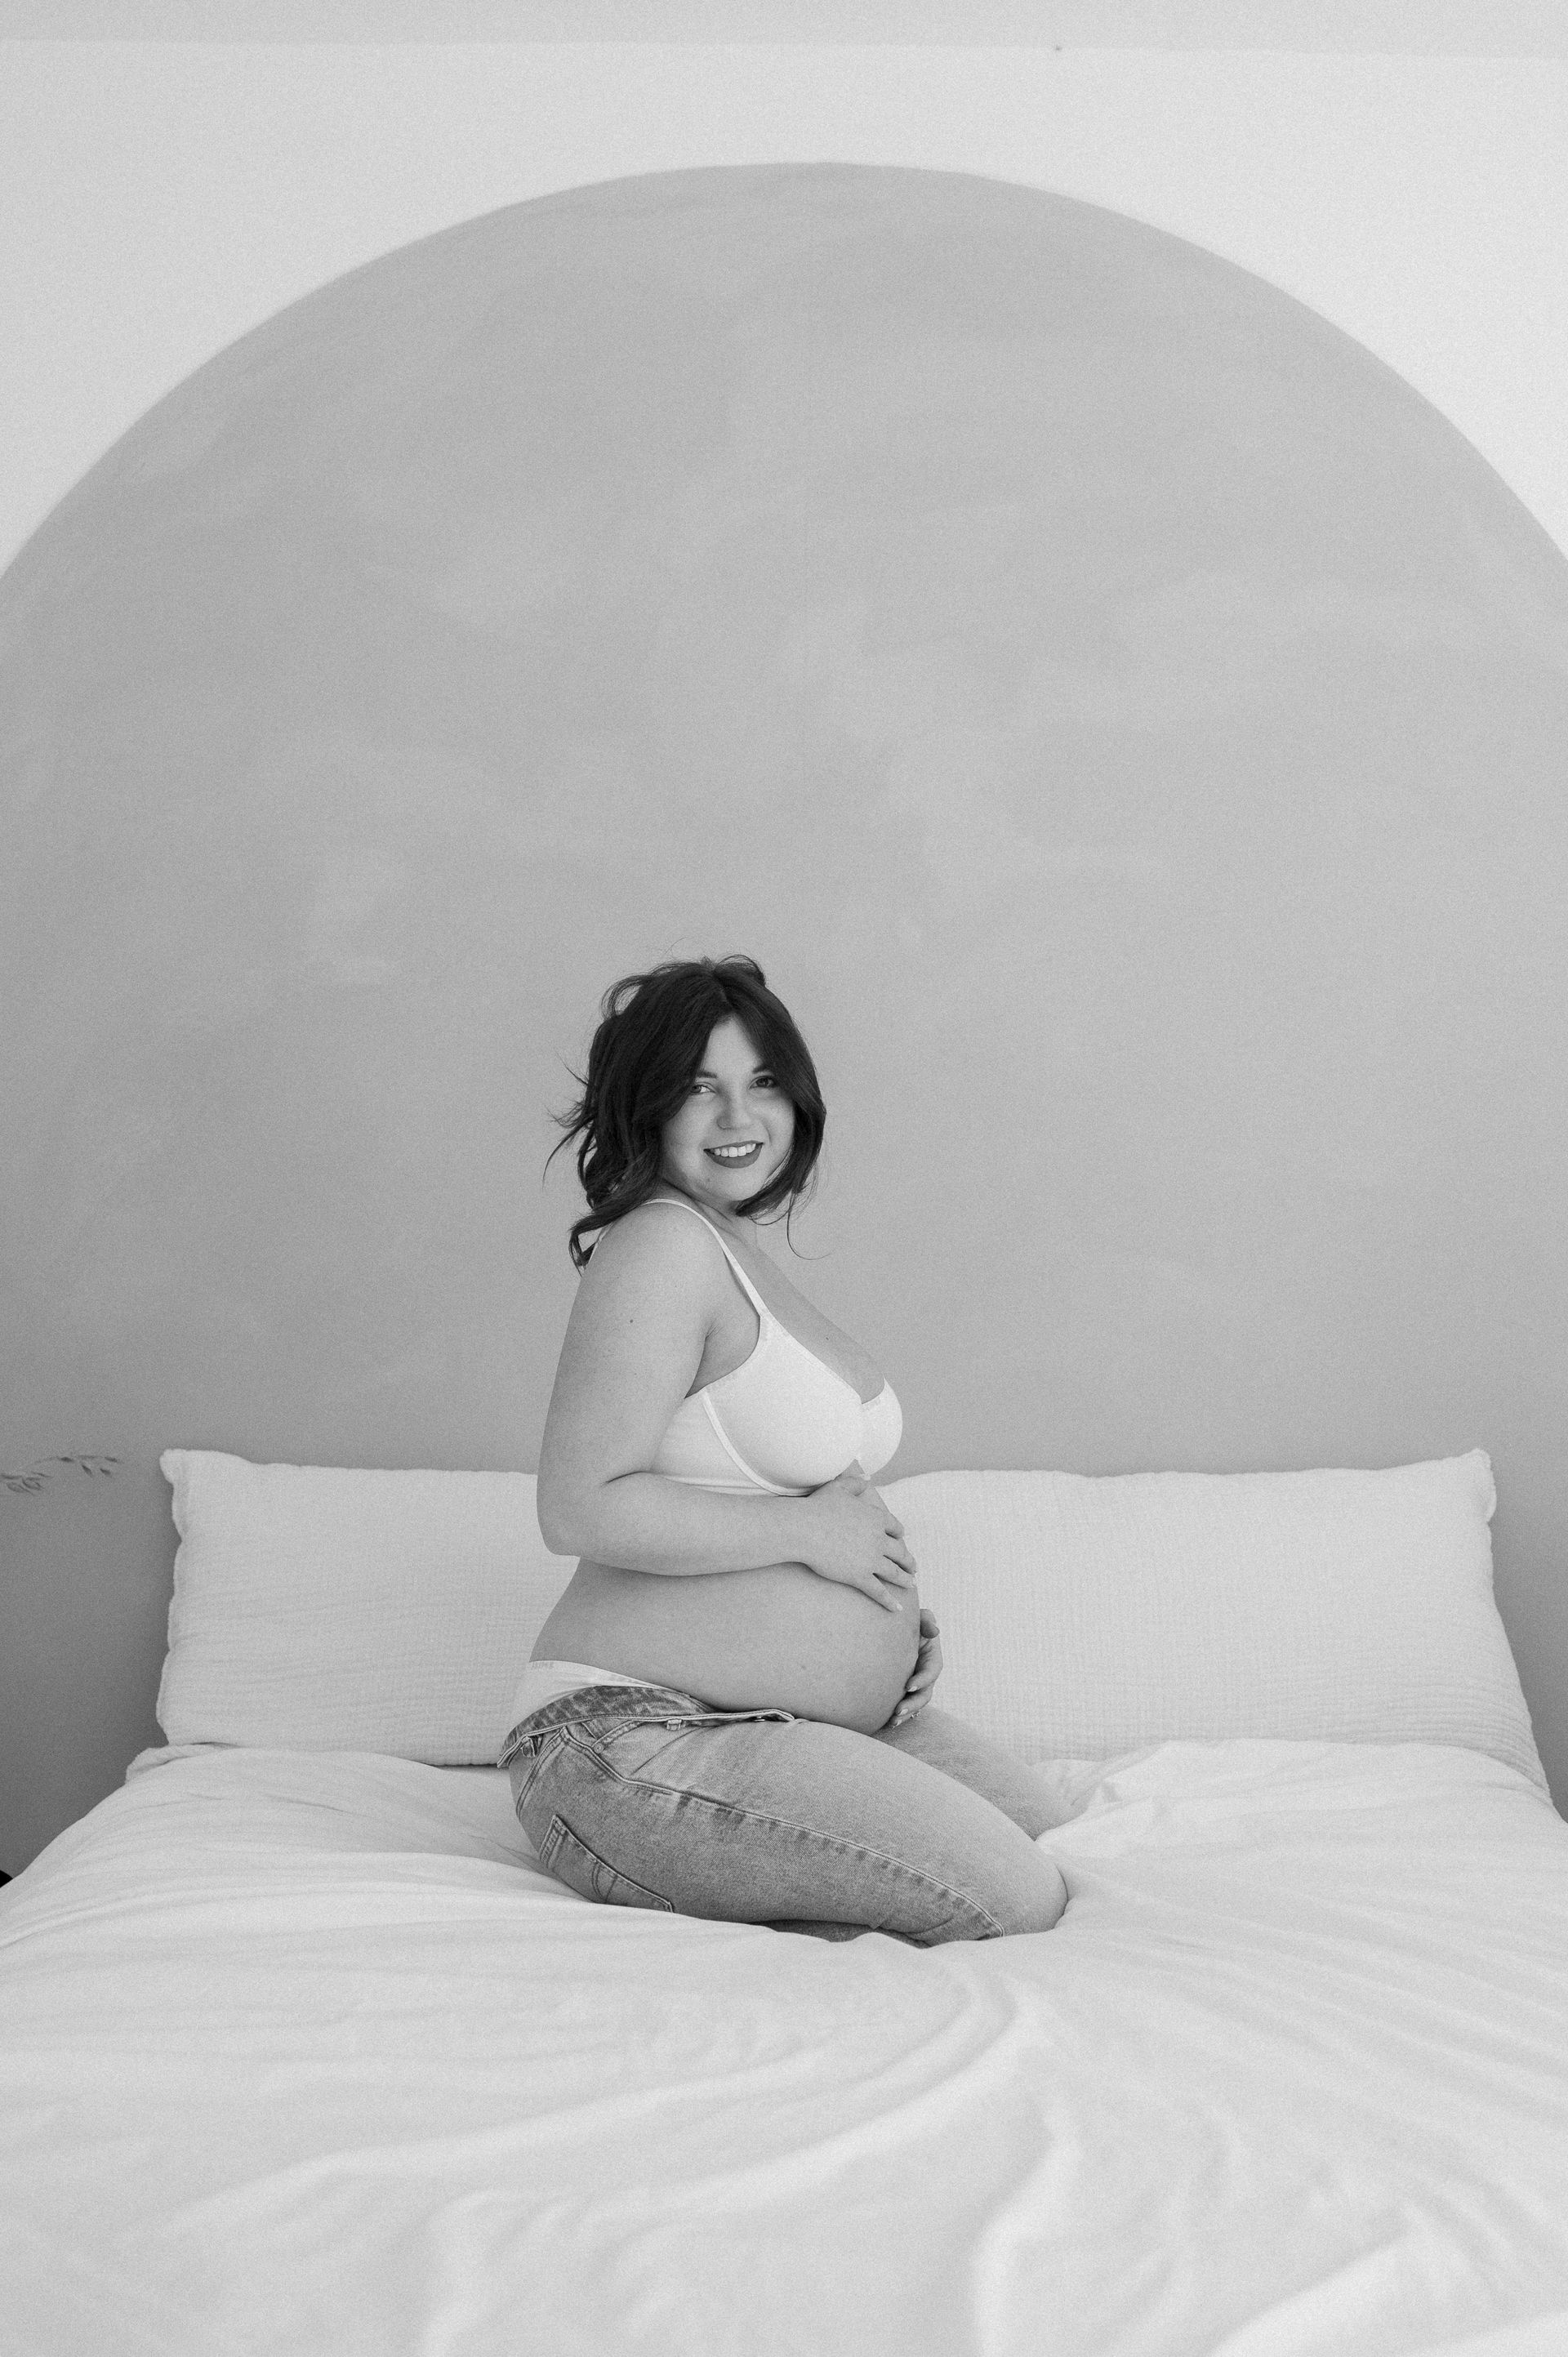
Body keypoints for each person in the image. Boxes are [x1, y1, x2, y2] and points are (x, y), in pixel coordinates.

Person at [501, 954, 1068, 1945]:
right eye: (698, 1087)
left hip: (791, 1723)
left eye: (763, 1081)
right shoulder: (661, 1246)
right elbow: (580, 1505)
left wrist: (877, 1629)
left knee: (1059, 1835)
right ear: (648, 1106)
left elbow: (771, 1488)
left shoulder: (733, 1251)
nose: (738, 1117)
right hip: (633, 1740)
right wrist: (810, 1540)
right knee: (1012, 1895)